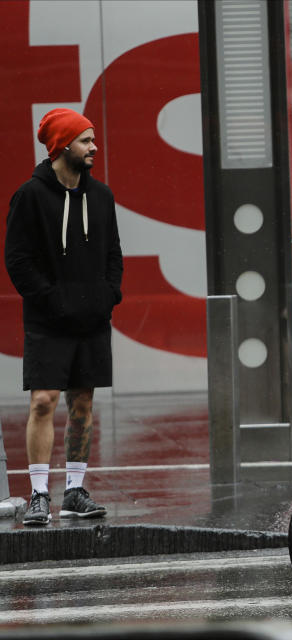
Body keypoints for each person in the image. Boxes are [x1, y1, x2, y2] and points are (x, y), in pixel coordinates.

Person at [5, 108, 123, 526]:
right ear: (62, 146)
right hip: (48, 320)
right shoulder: (30, 196)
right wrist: (52, 301)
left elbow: (113, 255)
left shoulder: (103, 197)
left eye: (92, 139)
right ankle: (39, 494)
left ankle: (74, 492)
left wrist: (108, 296)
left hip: (92, 319)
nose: (94, 147)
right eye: (86, 140)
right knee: (42, 403)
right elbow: (17, 261)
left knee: (82, 404)